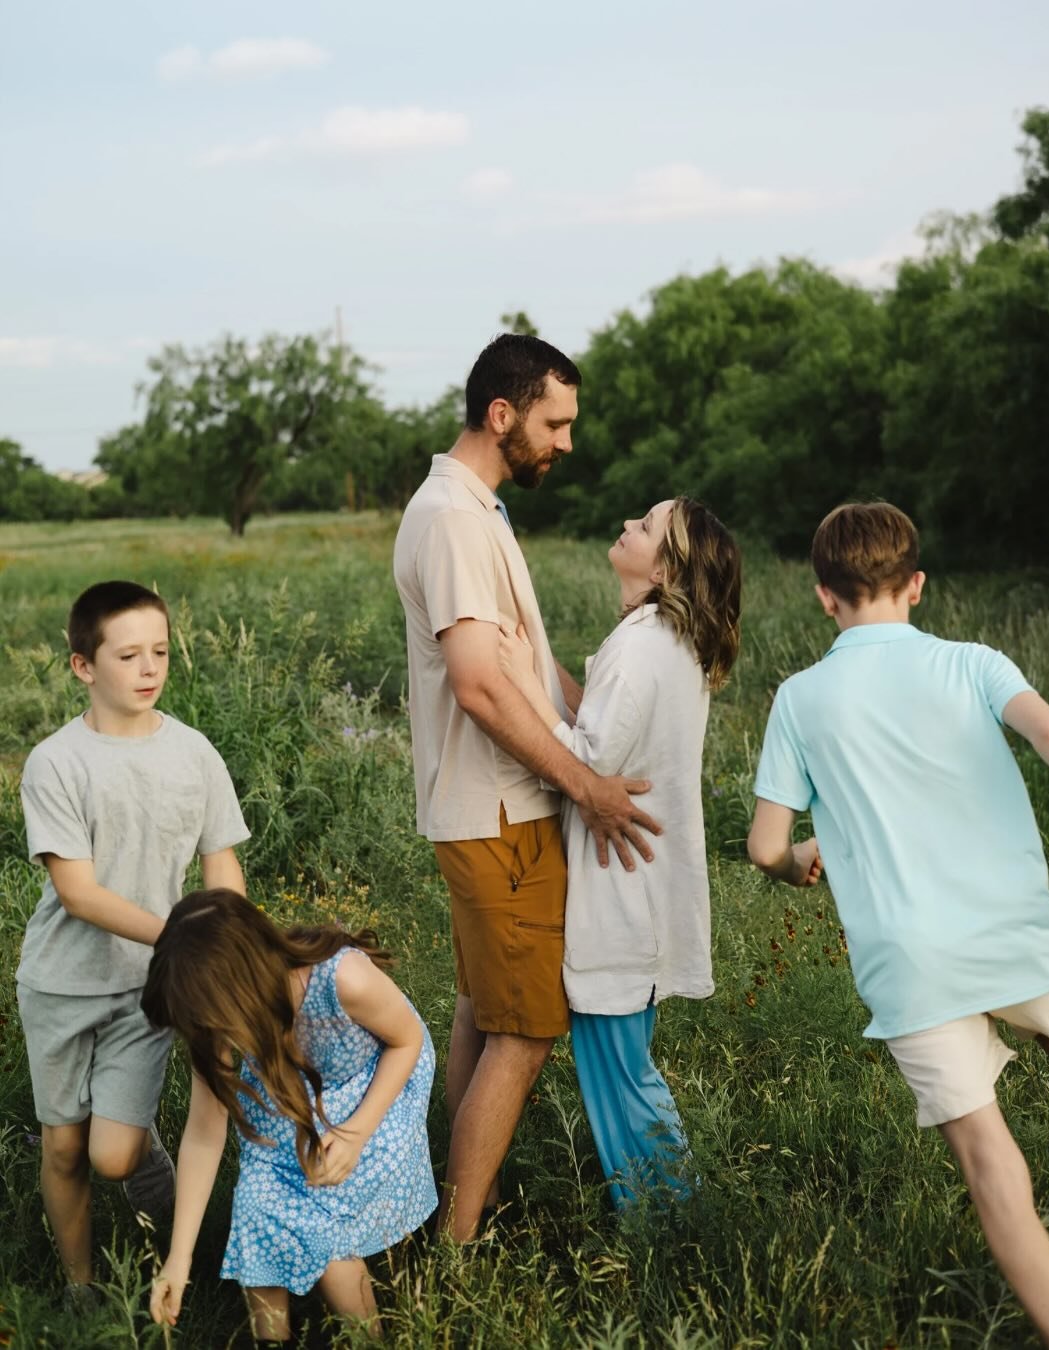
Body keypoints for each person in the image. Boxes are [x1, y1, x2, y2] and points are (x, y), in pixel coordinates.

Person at [748, 501, 1049, 1347]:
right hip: (1012, 931)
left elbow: (764, 847)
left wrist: (799, 862)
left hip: (910, 961)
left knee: (986, 1159)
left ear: (825, 596)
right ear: (918, 585)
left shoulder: (799, 697)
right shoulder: (973, 662)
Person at [392, 332, 662, 1240]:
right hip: (497, 812)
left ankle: (459, 1204)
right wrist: (585, 784)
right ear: (502, 414)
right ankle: (457, 1246)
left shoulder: (478, 511)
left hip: (499, 808)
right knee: (526, 1030)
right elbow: (475, 685)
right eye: (556, 423)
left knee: (485, 1010)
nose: (567, 443)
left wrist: (623, 716)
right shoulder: (457, 521)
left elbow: (526, 680)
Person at [498, 496, 741, 1206]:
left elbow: (588, 758)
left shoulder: (642, 646)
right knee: (628, 1068)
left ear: (665, 563)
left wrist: (516, 679)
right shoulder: (658, 637)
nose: (629, 523)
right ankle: (670, 1217)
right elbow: (593, 716)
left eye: (646, 525)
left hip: (621, 889)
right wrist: (538, 669)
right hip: (643, 889)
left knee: (623, 1079)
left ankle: (673, 1226)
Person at [15, 580, 249, 1305]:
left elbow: (222, 864)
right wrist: (184, 933)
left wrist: (230, 945)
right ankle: (84, 1289)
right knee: (63, 1148)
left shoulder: (194, 752)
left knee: (112, 1156)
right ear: (84, 665)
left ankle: (180, 1253)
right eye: (128, 655)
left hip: (149, 986)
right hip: (60, 984)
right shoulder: (56, 762)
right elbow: (78, 893)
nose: (150, 669)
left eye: (160, 652)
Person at [144, 888, 437, 1343]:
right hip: (291, 1092)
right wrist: (177, 1264)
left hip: (377, 1088)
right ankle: (273, 1338)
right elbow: (204, 1135)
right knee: (257, 1200)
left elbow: (407, 1041)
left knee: (322, 1219)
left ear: (242, 988)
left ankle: (368, 1339)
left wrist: (356, 1133)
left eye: (213, 1024)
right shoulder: (220, 1020)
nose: (211, 1038)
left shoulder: (342, 979)